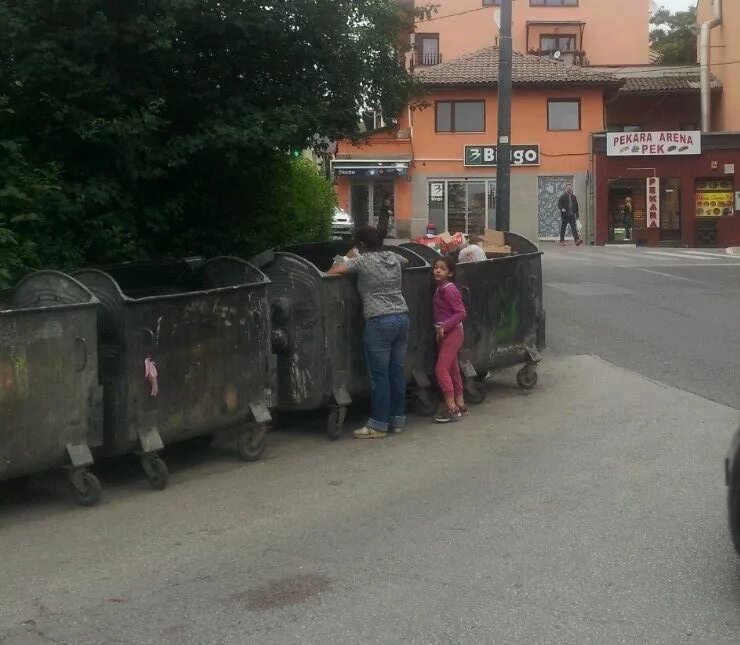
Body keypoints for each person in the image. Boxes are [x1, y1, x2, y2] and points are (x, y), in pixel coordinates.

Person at [327, 225, 409, 439]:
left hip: (379, 320)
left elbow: (332, 272)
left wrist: (347, 255)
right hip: (401, 318)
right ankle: (397, 420)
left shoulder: (362, 260)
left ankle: (378, 424)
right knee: (395, 373)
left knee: (379, 376)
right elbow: (407, 262)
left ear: (361, 245)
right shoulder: (393, 256)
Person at [432, 256, 467, 423]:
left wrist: (443, 327)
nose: (438, 270)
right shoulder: (440, 288)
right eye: (436, 267)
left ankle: (451, 407)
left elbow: (461, 313)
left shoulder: (449, 289)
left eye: (443, 268)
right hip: (445, 334)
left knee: (440, 369)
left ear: (450, 273)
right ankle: (460, 402)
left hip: (452, 333)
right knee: (452, 369)